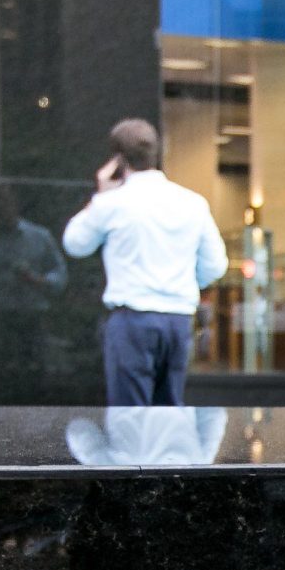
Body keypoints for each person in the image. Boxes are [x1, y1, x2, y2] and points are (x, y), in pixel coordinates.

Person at [62, 119, 228, 406]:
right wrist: (184, 281)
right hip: (178, 320)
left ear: (118, 160)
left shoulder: (111, 203)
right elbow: (215, 265)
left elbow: (75, 243)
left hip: (132, 321)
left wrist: (100, 194)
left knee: (130, 414)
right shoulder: (192, 203)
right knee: (170, 413)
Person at [0, 187, 66, 402]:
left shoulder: (39, 236)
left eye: (4, 202)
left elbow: (60, 275)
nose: (1, 208)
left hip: (31, 316)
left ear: (15, 204)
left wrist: (38, 281)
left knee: (33, 381)